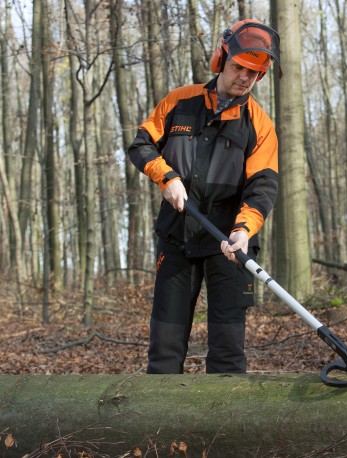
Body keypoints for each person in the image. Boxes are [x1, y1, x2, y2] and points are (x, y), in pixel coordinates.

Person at [128, 19, 281, 374]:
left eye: (254, 73)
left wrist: (244, 230)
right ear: (222, 59)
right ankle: (160, 427)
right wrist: (166, 178)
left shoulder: (260, 124)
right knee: (164, 351)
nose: (244, 77)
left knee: (228, 355)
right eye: (239, 67)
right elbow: (141, 145)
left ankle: (221, 427)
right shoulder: (180, 102)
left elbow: (263, 185)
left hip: (228, 243)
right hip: (177, 237)